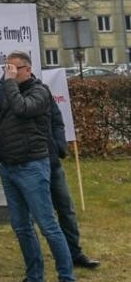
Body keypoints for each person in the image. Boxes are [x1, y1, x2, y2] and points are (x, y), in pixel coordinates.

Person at [0, 51, 79, 282]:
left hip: (31, 165)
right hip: (9, 167)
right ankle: (35, 279)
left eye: (13, 68)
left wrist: (8, 83)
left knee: (47, 224)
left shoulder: (39, 92)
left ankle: (68, 281)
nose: (8, 71)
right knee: (21, 226)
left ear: (27, 70)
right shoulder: (6, 90)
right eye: (6, 67)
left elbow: (22, 109)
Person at [47, 95, 100, 270]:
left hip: (52, 161)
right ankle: (53, 257)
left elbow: (57, 121)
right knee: (41, 217)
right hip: (27, 165)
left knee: (66, 208)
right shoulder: (4, 92)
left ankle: (74, 253)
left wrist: (60, 147)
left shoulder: (41, 90)